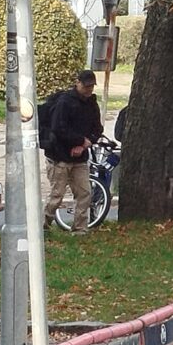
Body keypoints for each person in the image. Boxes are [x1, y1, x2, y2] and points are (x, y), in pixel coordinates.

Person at [43, 70, 104, 233]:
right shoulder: (65, 102)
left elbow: (98, 129)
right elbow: (58, 128)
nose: (89, 89)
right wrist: (79, 141)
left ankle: (80, 229)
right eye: (86, 86)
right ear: (78, 83)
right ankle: (43, 224)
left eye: (91, 86)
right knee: (57, 196)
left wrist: (85, 144)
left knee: (85, 193)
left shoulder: (92, 103)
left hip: (80, 158)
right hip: (59, 157)